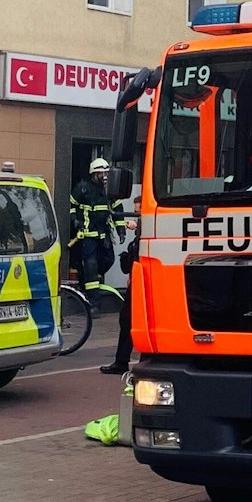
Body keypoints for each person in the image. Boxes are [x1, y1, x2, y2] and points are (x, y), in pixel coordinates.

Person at [98, 204, 140, 375]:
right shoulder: (140, 234)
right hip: (136, 284)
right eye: (136, 211)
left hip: (145, 286)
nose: (136, 215)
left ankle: (138, 361)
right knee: (126, 321)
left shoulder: (148, 231)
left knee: (132, 322)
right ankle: (121, 362)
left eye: (139, 211)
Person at [70, 159, 119, 295]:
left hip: (104, 234)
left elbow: (117, 209)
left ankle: (90, 277)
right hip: (88, 235)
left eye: (106, 173)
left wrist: (121, 229)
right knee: (91, 264)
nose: (105, 176)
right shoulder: (83, 188)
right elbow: (71, 205)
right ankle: (92, 299)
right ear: (94, 174)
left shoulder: (110, 190)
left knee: (109, 260)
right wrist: (75, 220)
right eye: (101, 173)